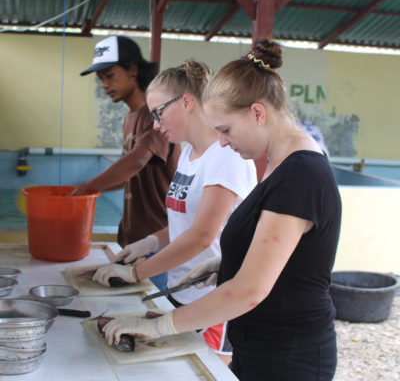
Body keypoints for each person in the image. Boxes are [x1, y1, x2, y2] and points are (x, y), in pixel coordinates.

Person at [99, 41, 341, 381]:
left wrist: (161, 327)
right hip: (257, 344)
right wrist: (227, 262)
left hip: (288, 355)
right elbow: (280, 250)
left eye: (225, 130)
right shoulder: (280, 161)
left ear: (258, 113)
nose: (223, 142)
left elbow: (250, 290)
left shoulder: (301, 173)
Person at [93, 60, 257, 363]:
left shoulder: (224, 156)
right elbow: (183, 224)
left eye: (159, 112)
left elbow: (202, 236)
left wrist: (135, 273)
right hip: (181, 293)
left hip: (214, 300)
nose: (155, 123)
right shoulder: (187, 154)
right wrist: (149, 243)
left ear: (187, 102)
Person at [76, 36, 180, 289]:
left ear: (133, 70)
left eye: (110, 75)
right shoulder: (131, 118)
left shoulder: (153, 115)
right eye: (100, 78)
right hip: (132, 239)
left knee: (150, 312)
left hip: (157, 240)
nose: (104, 84)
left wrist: (86, 188)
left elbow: (137, 161)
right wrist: (85, 191)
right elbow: (129, 174)